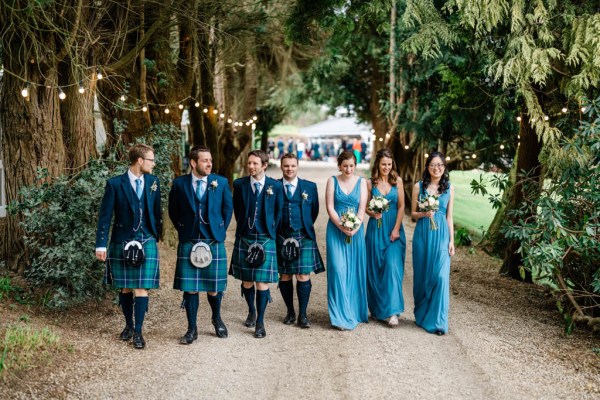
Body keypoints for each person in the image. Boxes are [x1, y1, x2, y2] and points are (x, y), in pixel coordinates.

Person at [95, 143, 162, 350]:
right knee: (125, 287)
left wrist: (156, 234)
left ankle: (139, 332)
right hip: (122, 239)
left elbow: (157, 210)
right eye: (151, 160)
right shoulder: (115, 184)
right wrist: (101, 245)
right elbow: (105, 217)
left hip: (147, 239)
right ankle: (129, 325)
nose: (154, 164)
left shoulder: (153, 182)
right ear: (140, 161)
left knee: (142, 287)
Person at [169, 146, 233, 344]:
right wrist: (183, 229)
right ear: (194, 163)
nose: (209, 164)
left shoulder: (220, 182)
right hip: (190, 240)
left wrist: (219, 230)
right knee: (191, 288)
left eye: (210, 160)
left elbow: (227, 209)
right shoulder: (180, 184)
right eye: (205, 160)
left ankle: (217, 318)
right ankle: (192, 329)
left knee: (214, 287)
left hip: (212, 240)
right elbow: (173, 210)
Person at [229, 149, 284, 338]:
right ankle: (251, 310)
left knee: (262, 282)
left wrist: (271, 230)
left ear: (264, 165)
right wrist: (244, 227)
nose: (251, 166)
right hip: (245, 236)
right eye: (249, 163)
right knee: (246, 281)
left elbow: (278, 211)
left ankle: (260, 322)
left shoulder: (275, 186)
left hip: (266, 237)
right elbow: (237, 209)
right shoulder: (240, 184)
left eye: (255, 163)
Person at [277, 153, 325, 328]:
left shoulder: (309, 187)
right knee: (285, 275)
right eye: (286, 166)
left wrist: (303, 226)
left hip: (303, 235)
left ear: (297, 166)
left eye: (292, 166)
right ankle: (290, 311)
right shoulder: (274, 186)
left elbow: (314, 211)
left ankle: (303, 315)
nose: (289, 169)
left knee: (303, 274)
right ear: (282, 167)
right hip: (281, 236)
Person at [411, 151, 455, 335]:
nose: (436, 168)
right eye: (433, 165)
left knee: (441, 277)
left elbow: (449, 216)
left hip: (442, 236)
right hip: (423, 234)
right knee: (423, 277)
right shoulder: (418, 186)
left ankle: (438, 322)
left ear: (444, 168)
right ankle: (422, 315)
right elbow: (413, 214)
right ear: (427, 167)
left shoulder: (450, 188)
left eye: (440, 165)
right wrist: (424, 214)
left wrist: (452, 240)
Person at [325, 151, 368, 330]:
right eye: (345, 166)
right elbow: (330, 207)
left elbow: (361, 209)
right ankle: (338, 316)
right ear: (339, 166)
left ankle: (352, 311)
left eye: (351, 166)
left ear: (355, 165)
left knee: (353, 271)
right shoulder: (332, 181)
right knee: (338, 269)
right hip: (335, 230)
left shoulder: (362, 182)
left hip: (355, 232)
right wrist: (342, 226)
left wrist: (355, 228)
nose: (348, 169)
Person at [365, 148, 406, 326]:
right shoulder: (369, 183)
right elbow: (365, 206)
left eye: (389, 164)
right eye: (383, 164)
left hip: (393, 230)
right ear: (378, 164)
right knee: (374, 269)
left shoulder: (397, 181)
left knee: (392, 266)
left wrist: (396, 229)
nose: (386, 167)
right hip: (375, 228)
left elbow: (402, 206)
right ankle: (377, 310)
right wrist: (373, 213)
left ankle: (393, 312)